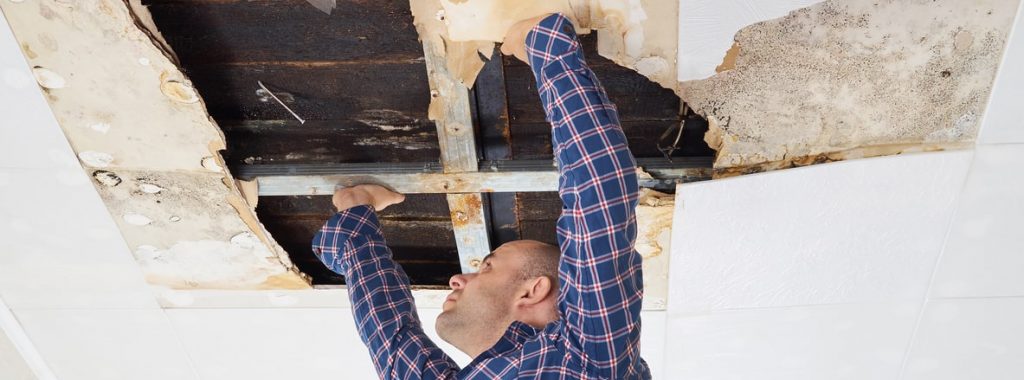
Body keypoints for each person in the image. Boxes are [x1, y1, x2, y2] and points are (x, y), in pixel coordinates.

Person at [312, 13, 649, 379]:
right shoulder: (588, 359)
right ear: (533, 290)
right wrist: (545, 46)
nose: (458, 279)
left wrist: (355, 219)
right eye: (487, 267)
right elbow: (601, 193)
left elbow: (390, 337)